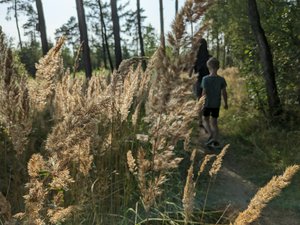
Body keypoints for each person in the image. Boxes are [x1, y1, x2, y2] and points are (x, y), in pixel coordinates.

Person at [201, 57, 228, 147]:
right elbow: (224, 92)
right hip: (216, 104)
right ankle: (215, 140)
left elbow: (204, 93)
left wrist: (201, 103)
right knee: (214, 122)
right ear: (218, 67)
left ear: (208, 67)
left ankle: (210, 134)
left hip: (207, 104)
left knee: (205, 119)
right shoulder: (221, 79)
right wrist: (226, 103)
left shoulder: (205, 79)